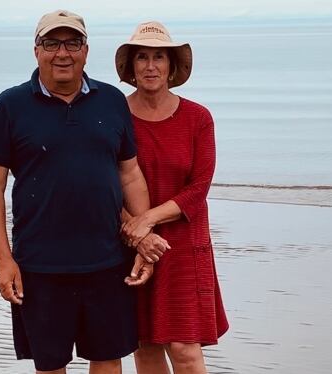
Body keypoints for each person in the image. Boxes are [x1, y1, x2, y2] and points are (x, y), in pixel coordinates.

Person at [0, 10, 153, 374]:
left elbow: (130, 173)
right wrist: (4, 260)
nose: (63, 53)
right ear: (36, 50)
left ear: (86, 51)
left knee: (107, 358)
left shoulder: (111, 100)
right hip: (39, 265)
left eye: (72, 43)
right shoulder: (10, 105)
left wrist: (142, 240)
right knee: (50, 364)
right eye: (52, 43)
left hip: (108, 260)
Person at [116, 21, 230, 374]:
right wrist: (136, 233)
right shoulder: (114, 115)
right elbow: (102, 181)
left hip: (184, 245)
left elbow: (199, 188)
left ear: (172, 65)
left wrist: (147, 220)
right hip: (129, 242)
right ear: (132, 66)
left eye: (159, 57)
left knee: (185, 349)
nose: (151, 66)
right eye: (143, 57)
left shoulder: (198, 118)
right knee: (144, 346)